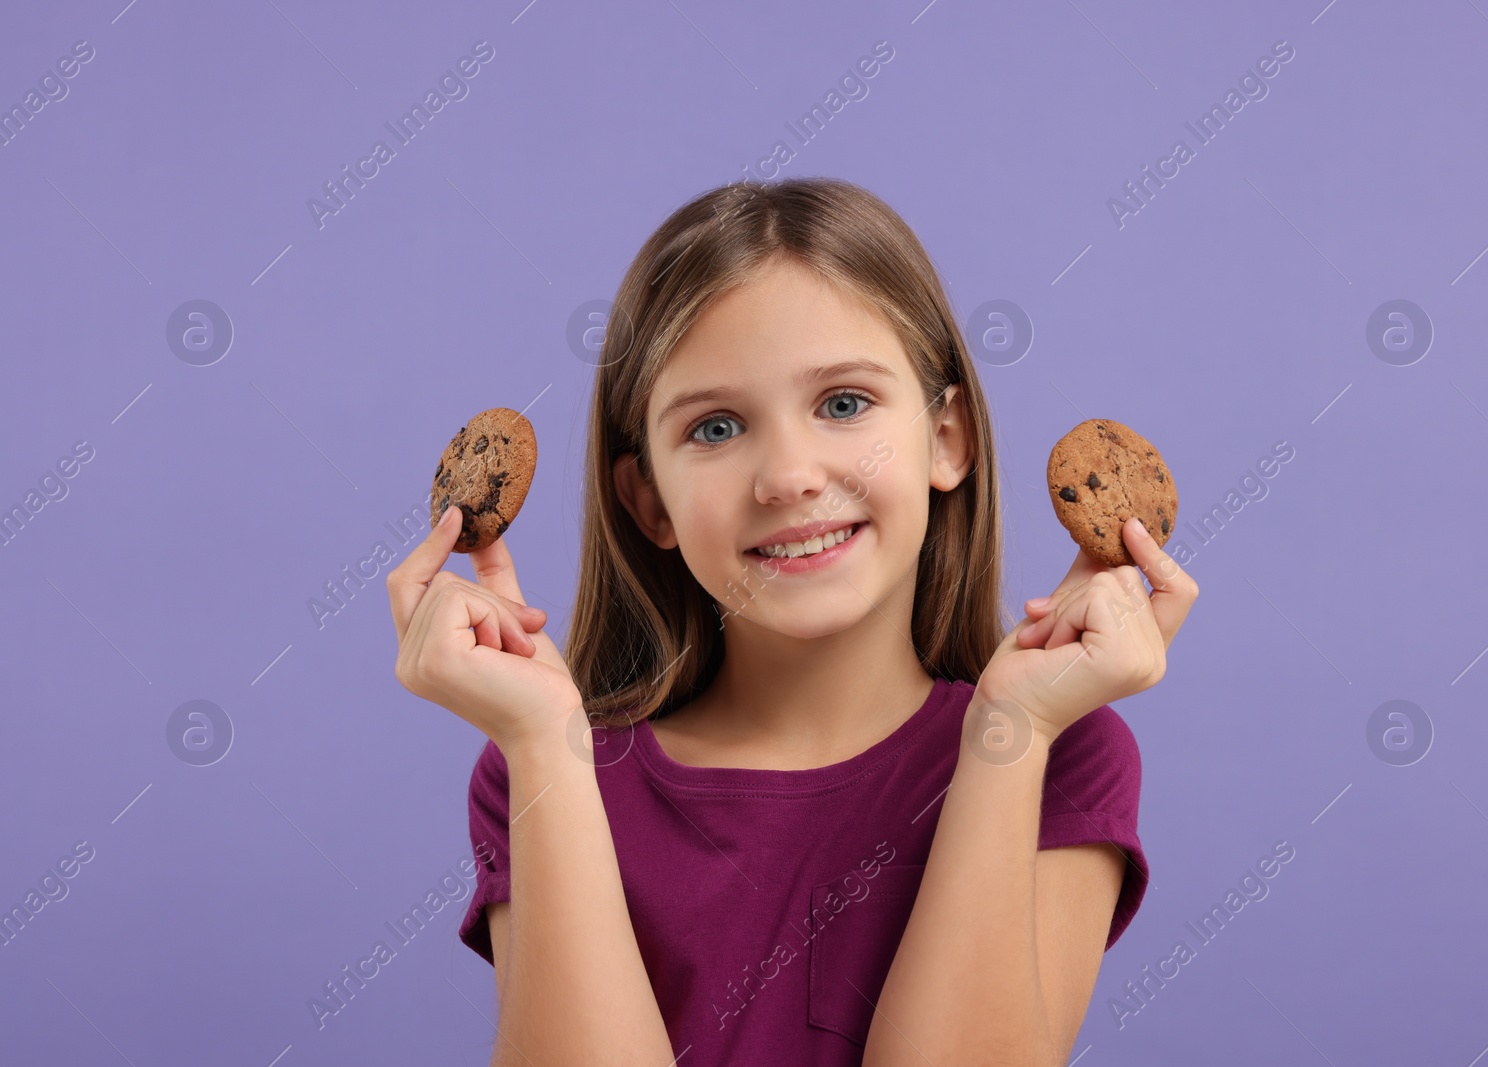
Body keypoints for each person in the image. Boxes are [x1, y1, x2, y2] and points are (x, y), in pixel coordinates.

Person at [386, 177, 1199, 1066]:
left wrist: (1012, 729)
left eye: (844, 404)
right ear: (647, 500)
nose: (789, 476)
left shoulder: (1061, 755)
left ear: (947, 438)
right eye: (717, 426)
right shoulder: (541, 771)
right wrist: (543, 743)